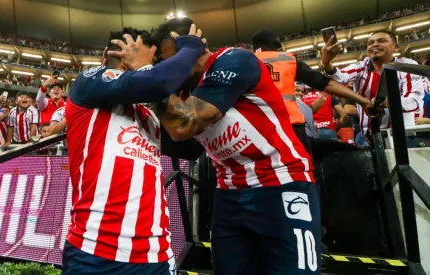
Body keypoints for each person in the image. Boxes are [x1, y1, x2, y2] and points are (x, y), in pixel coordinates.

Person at [139, 17, 320, 275]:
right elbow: (187, 146)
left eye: (169, 62)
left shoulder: (235, 59)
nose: (165, 71)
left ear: (194, 51)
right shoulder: (183, 93)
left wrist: (148, 74)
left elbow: (185, 124)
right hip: (230, 193)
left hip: (282, 183)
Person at [63, 26, 205, 275]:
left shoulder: (149, 111)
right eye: (135, 53)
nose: (137, 62)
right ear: (109, 53)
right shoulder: (89, 82)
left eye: (147, 58)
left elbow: (192, 148)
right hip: (95, 252)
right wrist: (191, 47)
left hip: (157, 253)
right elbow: (156, 81)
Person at [251, 30, 370, 152]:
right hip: (290, 126)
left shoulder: (240, 63)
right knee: (302, 165)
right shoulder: (286, 60)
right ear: (274, 46)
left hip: (253, 128)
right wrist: (363, 101)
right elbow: (326, 84)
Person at [320, 30, 424, 147]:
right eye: (370, 43)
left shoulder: (407, 65)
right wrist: (326, 62)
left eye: (382, 41)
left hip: (401, 136)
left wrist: (388, 102)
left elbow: (414, 101)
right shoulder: (361, 66)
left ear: (396, 48)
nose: (374, 44)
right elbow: (339, 78)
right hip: (366, 137)